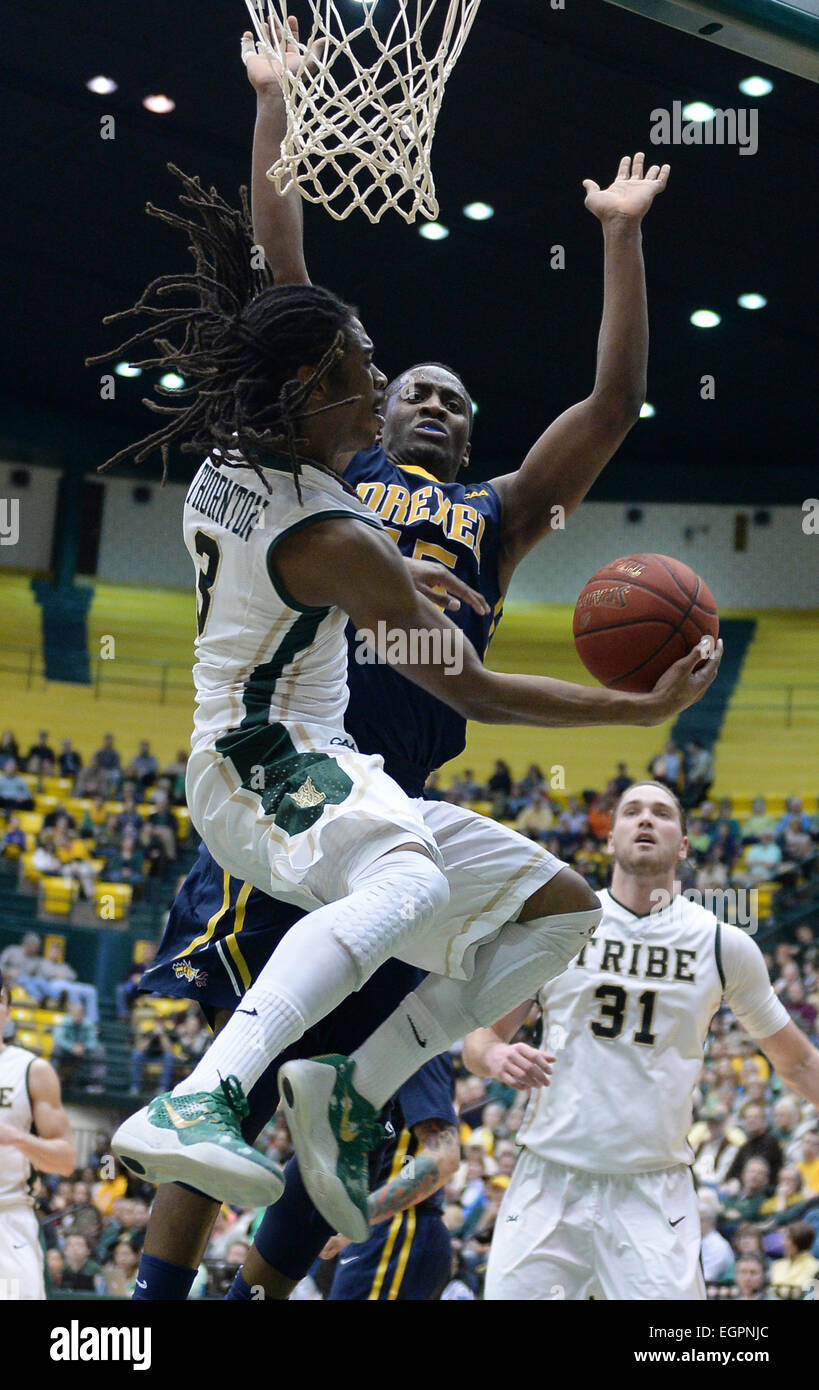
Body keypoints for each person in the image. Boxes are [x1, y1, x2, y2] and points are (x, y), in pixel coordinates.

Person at [100, 37, 719, 1238]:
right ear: (358, 403)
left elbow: (611, 407)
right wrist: (274, 108)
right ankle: (157, 1284)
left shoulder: (493, 513)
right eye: (405, 384)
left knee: (539, 916)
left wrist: (621, 235)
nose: (429, 397)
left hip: (376, 787)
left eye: (456, 399)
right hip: (291, 789)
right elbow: (283, 269)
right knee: (254, 1056)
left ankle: (347, 1093)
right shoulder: (335, 495)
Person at [464, 781, 819, 1300]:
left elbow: (797, 1062)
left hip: (653, 1190)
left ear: (683, 845)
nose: (645, 820)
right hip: (548, 1178)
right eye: (631, 812)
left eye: (661, 813)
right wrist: (495, 1054)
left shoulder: (723, 945)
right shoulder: (562, 928)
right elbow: (479, 1040)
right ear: (610, 838)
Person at [0, 969, 76, 1299]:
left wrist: (15, 1138)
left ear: (8, 1011)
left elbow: (66, 1161)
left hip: (8, 1218)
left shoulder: (32, 1070)